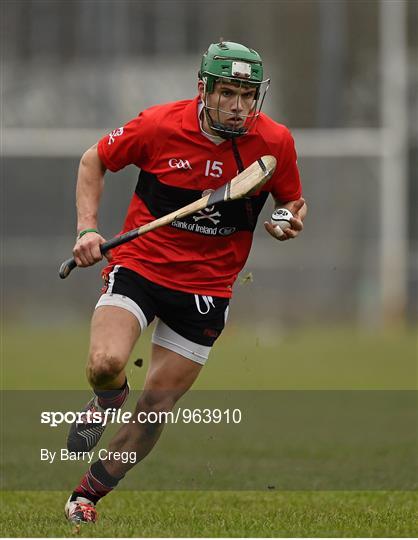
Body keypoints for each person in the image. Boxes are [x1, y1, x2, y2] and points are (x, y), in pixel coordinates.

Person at [64, 40, 307, 524]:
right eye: (228, 93)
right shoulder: (158, 125)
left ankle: (86, 496)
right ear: (203, 89)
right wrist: (88, 228)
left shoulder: (275, 141)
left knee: (156, 406)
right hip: (140, 266)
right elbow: (94, 160)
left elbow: (292, 202)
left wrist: (284, 220)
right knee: (105, 362)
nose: (239, 106)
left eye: (248, 94)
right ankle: (109, 396)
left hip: (208, 287)